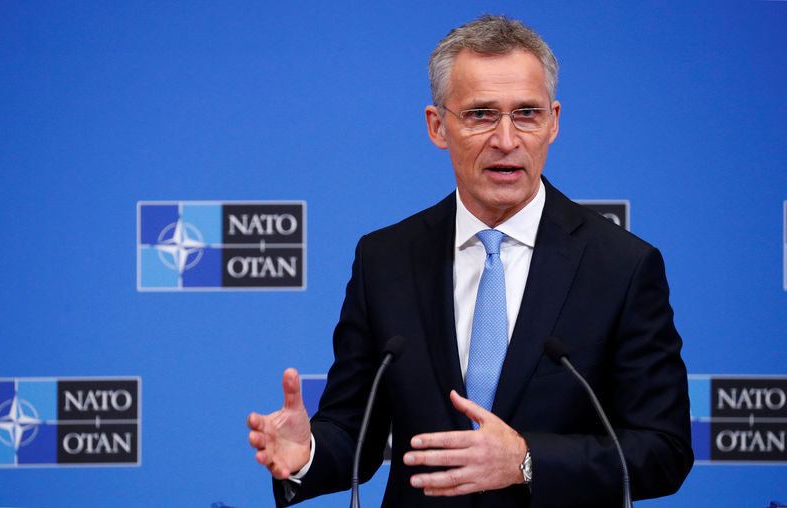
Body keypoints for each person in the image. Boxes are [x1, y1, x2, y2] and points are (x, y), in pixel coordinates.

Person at [247, 14, 693, 507]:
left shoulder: (621, 266)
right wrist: (305, 451)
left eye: (527, 113)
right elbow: (353, 433)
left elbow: (663, 449)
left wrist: (526, 460)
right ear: (438, 126)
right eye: (481, 114)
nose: (506, 139)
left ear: (554, 122)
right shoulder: (385, 259)